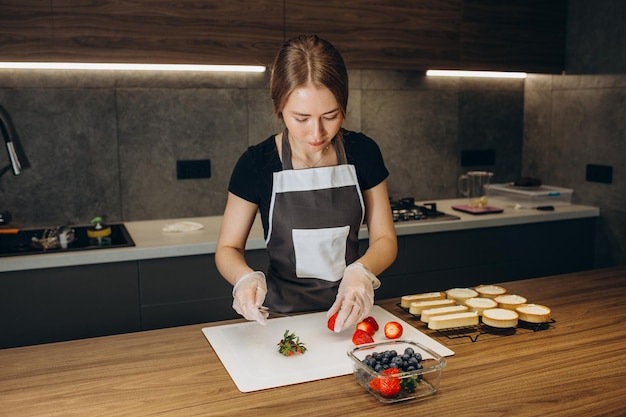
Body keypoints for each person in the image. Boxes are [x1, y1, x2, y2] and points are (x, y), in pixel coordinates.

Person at [215, 35, 397, 333]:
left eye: (331, 116)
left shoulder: (363, 152)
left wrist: (362, 272)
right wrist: (244, 278)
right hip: (282, 321)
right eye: (301, 118)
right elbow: (228, 247)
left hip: (353, 315)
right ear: (279, 107)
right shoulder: (257, 163)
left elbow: (385, 240)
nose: (317, 132)